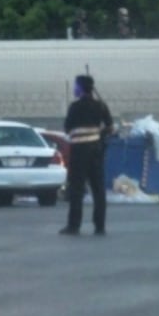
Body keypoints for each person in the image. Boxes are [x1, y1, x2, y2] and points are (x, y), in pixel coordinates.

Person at [60, 74, 113, 236]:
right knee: (98, 189)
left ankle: (74, 226)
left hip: (79, 152)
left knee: (76, 189)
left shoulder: (75, 107)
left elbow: (68, 128)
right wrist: (99, 135)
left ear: (81, 88)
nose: (74, 89)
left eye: (76, 86)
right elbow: (110, 127)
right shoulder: (101, 106)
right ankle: (100, 226)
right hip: (96, 151)